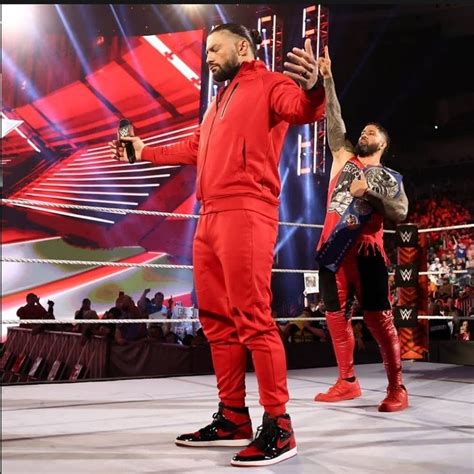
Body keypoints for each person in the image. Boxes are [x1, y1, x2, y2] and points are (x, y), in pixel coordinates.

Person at [109, 23, 325, 467]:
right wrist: (144, 150)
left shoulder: (270, 84)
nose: (207, 56)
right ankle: (233, 417)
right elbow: (197, 145)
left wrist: (316, 88)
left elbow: (303, 108)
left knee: (253, 318)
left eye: (214, 48)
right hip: (208, 217)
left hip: (247, 210)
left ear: (242, 47)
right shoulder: (218, 101)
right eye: (206, 50)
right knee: (216, 321)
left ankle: (280, 427)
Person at [313, 46, 409, 412]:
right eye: (364, 131)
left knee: (377, 319)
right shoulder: (343, 156)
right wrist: (328, 78)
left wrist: (368, 191)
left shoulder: (388, 176)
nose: (364, 134)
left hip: (367, 251)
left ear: (382, 144)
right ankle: (347, 381)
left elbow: (400, 211)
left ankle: (397, 387)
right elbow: (333, 122)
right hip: (332, 250)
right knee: (335, 317)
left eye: (371, 132)